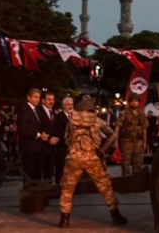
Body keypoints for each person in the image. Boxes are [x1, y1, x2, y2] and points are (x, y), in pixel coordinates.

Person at [58, 95, 127, 228]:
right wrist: (102, 149)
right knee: (104, 186)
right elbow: (112, 135)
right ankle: (116, 216)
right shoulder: (97, 120)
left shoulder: (71, 121)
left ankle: (64, 220)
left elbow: (66, 138)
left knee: (67, 188)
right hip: (92, 158)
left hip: (73, 158)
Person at [17, 88, 49, 184]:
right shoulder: (24, 109)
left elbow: (41, 124)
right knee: (30, 171)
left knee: (37, 171)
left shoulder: (37, 110)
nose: (37, 99)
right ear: (28, 97)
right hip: (29, 146)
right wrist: (38, 135)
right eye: (35, 97)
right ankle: (29, 194)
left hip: (38, 147)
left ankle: (37, 193)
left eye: (38, 97)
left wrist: (43, 133)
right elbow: (23, 129)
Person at [114, 93, 147, 176]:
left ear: (139, 102)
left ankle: (135, 183)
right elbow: (118, 127)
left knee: (138, 163)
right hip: (126, 141)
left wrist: (145, 142)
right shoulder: (124, 113)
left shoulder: (142, 113)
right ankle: (126, 183)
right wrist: (116, 141)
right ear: (129, 102)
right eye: (132, 101)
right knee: (126, 163)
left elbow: (144, 128)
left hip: (138, 142)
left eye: (136, 101)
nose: (134, 102)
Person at [37, 91, 60, 182]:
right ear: (43, 100)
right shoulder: (38, 111)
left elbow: (55, 127)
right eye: (49, 99)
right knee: (39, 171)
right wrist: (49, 139)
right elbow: (38, 127)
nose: (51, 102)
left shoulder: (54, 113)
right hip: (41, 146)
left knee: (49, 170)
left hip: (53, 147)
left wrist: (56, 138)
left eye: (53, 99)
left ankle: (48, 186)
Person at [52, 96, 73, 184]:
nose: (71, 107)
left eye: (72, 104)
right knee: (61, 169)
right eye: (68, 105)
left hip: (72, 148)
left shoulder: (74, 116)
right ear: (63, 106)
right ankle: (59, 187)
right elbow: (58, 132)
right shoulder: (58, 117)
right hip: (62, 147)